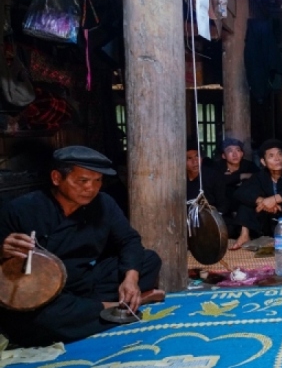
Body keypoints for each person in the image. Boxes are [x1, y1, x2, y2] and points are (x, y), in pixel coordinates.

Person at [0, 146, 163, 347]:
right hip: (41, 293)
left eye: (98, 181)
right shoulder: (22, 209)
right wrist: (2, 251)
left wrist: (131, 279)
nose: (91, 188)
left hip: (86, 281)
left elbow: (128, 240)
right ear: (56, 178)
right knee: (38, 321)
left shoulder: (104, 203)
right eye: (82, 181)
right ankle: (116, 307)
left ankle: (94, 311)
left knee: (148, 260)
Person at [232, 139, 282, 250]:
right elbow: (240, 192)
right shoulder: (259, 176)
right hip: (268, 221)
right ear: (263, 162)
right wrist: (262, 201)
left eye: (280, 154)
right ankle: (244, 235)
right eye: (271, 156)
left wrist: (275, 199)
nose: (277, 159)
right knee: (245, 203)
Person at [186, 142, 231, 230]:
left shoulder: (213, 176)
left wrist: (213, 219)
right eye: (189, 158)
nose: (195, 161)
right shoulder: (179, 179)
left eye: (197, 156)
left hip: (211, 219)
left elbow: (222, 204)